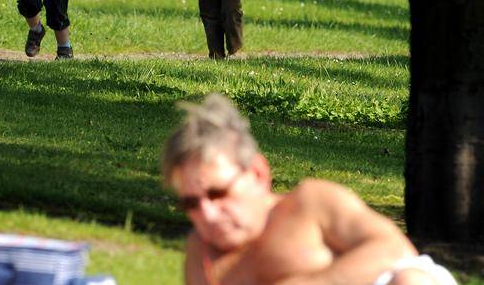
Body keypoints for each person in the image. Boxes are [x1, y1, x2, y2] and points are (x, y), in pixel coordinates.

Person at [163, 93, 458, 285]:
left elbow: (394, 250)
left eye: (218, 194)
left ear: (257, 173)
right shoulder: (202, 254)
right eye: (190, 203)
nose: (207, 214)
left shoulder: (310, 204)